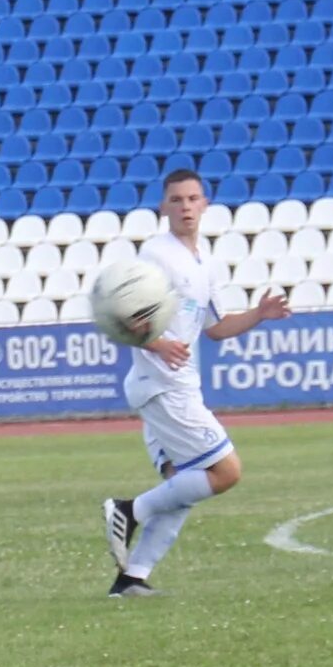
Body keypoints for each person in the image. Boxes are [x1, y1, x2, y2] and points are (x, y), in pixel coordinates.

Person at [98, 169, 292, 596]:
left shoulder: (204, 263)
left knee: (185, 485)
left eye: (192, 199)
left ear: (205, 204)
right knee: (226, 471)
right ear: (163, 207)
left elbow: (216, 328)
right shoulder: (155, 255)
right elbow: (124, 316)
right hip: (164, 385)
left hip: (171, 386)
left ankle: (132, 579)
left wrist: (259, 314)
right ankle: (128, 510)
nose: (186, 207)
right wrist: (160, 344)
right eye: (177, 200)